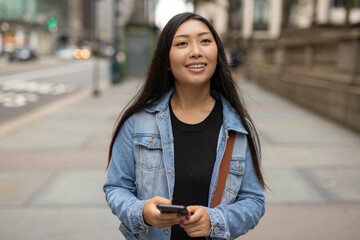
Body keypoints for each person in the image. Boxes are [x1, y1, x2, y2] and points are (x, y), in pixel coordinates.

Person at [103, 12, 266, 240]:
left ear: (217, 54)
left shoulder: (238, 128)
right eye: (182, 43)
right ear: (166, 62)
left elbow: (254, 201)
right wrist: (142, 212)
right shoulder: (137, 122)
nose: (196, 51)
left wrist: (215, 220)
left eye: (205, 41)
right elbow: (115, 187)